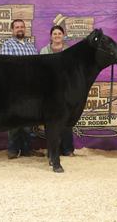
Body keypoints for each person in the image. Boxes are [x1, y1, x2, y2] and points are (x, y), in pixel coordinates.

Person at [0, 19, 44, 159]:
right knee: (14, 120)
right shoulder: (7, 45)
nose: (20, 29)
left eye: (22, 27)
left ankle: (27, 149)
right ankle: (13, 149)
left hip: (30, 90)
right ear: (12, 30)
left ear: (25, 29)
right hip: (14, 89)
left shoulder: (31, 47)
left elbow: (36, 69)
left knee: (27, 121)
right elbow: (6, 69)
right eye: (17, 27)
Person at [40, 25, 75, 157]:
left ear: (63, 35)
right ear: (51, 36)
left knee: (66, 120)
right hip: (49, 91)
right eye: (54, 34)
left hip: (65, 90)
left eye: (59, 33)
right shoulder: (44, 51)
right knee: (51, 121)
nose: (57, 36)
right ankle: (55, 150)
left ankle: (68, 149)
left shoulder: (69, 51)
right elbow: (41, 71)